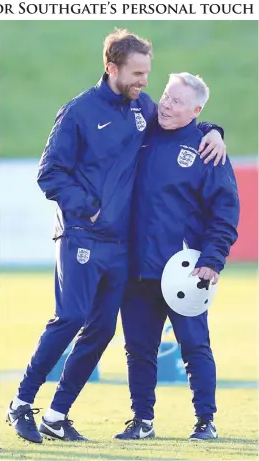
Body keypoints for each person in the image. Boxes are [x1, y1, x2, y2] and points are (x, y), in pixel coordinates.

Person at [7, 31, 226, 444]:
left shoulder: (141, 108)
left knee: (102, 331)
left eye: (148, 73)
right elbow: (49, 172)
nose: (147, 83)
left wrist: (213, 129)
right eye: (138, 73)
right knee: (71, 318)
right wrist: (86, 206)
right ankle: (21, 403)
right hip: (81, 235)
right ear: (112, 68)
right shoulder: (78, 112)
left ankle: (56, 415)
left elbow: (179, 121)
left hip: (120, 248)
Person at [114, 73, 240, 441]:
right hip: (136, 267)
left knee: (195, 346)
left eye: (177, 102)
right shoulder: (143, 130)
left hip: (185, 271)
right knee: (138, 349)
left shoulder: (207, 149)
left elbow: (225, 211)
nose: (166, 105)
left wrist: (213, 259)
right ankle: (142, 421)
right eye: (166, 96)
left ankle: (206, 421)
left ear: (196, 111)